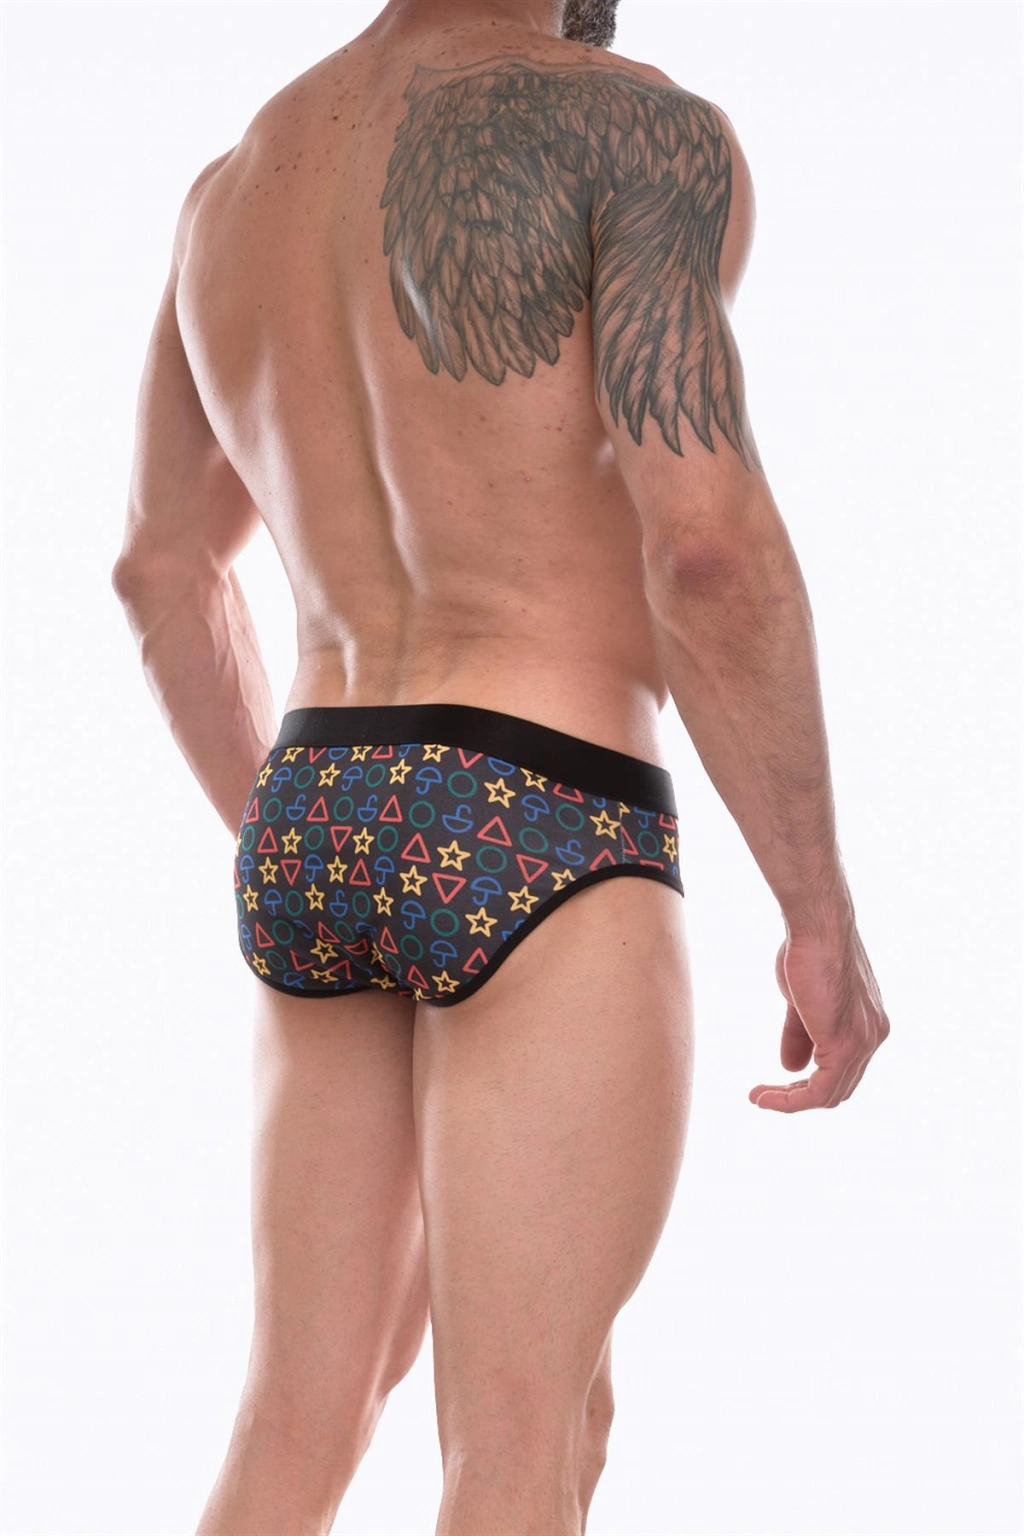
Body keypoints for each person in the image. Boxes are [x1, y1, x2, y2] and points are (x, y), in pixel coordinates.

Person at [111, 0, 890, 1531]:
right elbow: (706, 545)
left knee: (297, 1419)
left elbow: (159, 573)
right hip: (538, 803)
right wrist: (819, 914)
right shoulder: (630, 128)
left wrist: (307, 842)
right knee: (521, 1451)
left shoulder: (236, 185)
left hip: (318, 801)